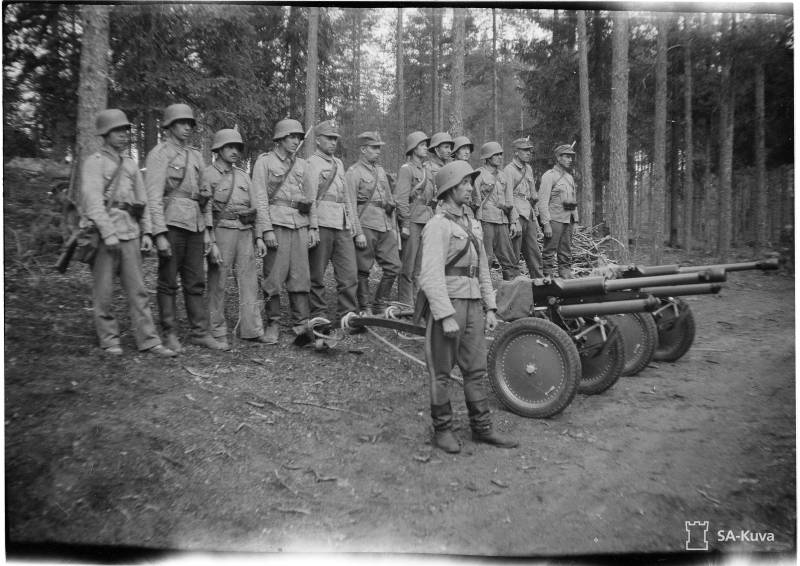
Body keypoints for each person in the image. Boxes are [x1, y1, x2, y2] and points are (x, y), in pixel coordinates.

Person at [418, 160, 519, 453]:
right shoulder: (437, 226)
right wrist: (445, 315)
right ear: (449, 189)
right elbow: (430, 275)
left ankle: (482, 428)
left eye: (469, 182)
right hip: (449, 306)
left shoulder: (472, 223)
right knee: (440, 372)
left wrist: (490, 307)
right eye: (463, 183)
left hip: (474, 306)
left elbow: (483, 269)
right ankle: (443, 430)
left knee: (475, 370)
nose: (468, 188)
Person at [80, 109, 176, 357]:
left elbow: (140, 202)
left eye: (125, 131)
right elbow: (93, 203)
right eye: (117, 131)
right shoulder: (94, 163)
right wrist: (108, 233)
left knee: (139, 291)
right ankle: (109, 338)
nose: (124, 135)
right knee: (104, 292)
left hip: (131, 234)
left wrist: (146, 233)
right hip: (104, 236)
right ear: (105, 134)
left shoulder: (131, 165)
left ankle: (149, 340)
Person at [145, 103, 228, 352]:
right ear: (169, 126)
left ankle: (199, 332)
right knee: (168, 281)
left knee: (195, 282)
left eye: (190, 124)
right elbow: (153, 196)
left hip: (194, 225)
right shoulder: (160, 154)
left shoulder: (195, 156)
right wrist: (158, 233)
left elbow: (205, 198)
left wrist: (207, 232)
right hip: (170, 223)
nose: (187, 128)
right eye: (182, 123)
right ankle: (169, 333)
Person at [251, 118, 318, 345]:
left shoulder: (303, 165)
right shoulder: (265, 162)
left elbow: (311, 199)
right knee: (274, 276)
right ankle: (274, 323)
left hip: (299, 224)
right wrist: (265, 230)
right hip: (276, 225)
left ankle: (301, 323)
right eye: (291, 137)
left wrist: (313, 227)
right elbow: (260, 199)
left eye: (298, 137)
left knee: (301, 274)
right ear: (279, 139)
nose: (295, 141)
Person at [203, 127, 270, 347]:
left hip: (244, 233)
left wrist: (259, 237)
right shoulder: (208, 175)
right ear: (218, 149)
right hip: (221, 231)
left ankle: (251, 329)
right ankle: (216, 328)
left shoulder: (243, 176)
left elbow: (256, 207)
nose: (234, 151)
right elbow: (204, 211)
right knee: (218, 282)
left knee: (249, 282)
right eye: (229, 147)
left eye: (237, 148)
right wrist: (210, 241)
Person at [304, 119, 365, 348]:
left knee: (349, 274)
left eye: (335, 139)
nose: (332, 142)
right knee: (317, 275)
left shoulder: (339, 163)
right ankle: (318, 316)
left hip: (341, 224)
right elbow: (310, 198)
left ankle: (347, 317)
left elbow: (347, 198)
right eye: (328, 138)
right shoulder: (311, 163)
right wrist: (312, 226)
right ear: (318, 140)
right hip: (321, 222)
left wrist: (355, 228)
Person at [346, 131, 402, 315]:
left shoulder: (380, 171)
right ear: (363, 149)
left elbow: (389, 198)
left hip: (384, 224)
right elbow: (350, 205)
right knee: (363, 269)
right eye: (374, 148)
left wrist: (393, 228)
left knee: (394, 266)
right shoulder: (354, 172)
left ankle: (379, 303)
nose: (378, 151)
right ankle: (364, 307)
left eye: (379, 148)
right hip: (366, 225)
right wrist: (358, 232)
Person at [394, 131, 434, 307]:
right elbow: (401, 199)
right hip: (412, 221)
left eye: (426, 145)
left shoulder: (426, 170)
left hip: (426, 220)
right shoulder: (406, 170)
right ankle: (405, 303)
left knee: (420, 268)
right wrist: (405, 223)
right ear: (413, 148)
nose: (426, 148)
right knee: (407, 267)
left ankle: (417, 304)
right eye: (422, 145)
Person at [473, 141, 520, 280]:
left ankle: (512, 287)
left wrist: (512, 222)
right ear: (487, 157)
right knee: (486, 257)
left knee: (508, 258)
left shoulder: (503, 175)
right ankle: (483, 290)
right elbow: (475, 200)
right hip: (486, 220)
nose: (500, 157)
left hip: (502, 220)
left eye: (500, 154)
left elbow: (509, 200)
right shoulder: (479, 174)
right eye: (496, 155)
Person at [504, 137, 543, 278]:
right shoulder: (509, 170)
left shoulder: (529, 169)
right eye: (525, 150)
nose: (528, 153)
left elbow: (533, 195)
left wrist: (536, 218)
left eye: (530, 151)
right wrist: (514, 221)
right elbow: (508, 196)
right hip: (517, 213)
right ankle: (513, 286)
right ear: (516, 152)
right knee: (514, 255)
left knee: (534, 253)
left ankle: (539, 284)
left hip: (529, 213)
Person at [539, 143, 579, 279]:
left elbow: (573, 200)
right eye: (567, 157)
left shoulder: (569, 177)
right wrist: (546, 223)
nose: (570, 160)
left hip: (568, 220)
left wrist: (576, 220)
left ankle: (565, 273)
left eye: (571, 157)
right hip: (554, 220)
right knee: (549, 251)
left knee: (566, 250)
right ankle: (547, 277)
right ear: (558, 158)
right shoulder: (549, 176)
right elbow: (542, 202)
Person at [451, 135, 477, 219]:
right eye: (463, 149)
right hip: (453, 210)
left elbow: (474, 192)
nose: (467, 152)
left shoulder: (469, 168)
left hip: (468, 211)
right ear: (455, 151)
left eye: (468, 149)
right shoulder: (450, 168)